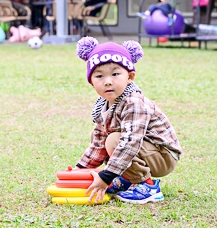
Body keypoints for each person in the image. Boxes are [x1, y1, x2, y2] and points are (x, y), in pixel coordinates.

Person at [74, 37, 182, 204]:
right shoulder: (103, 106)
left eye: (116, 74)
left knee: (115, 140)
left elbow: (131, 142)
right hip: (143, 151)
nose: (108, 81)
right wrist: (80, 169)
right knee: (106, 138)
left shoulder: (133, 102)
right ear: (91, 82)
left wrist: (106, 176)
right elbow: (98, 143)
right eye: (99, 76)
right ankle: (126, 179)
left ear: (130, 76)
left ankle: (148, 186)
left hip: (163, 155)